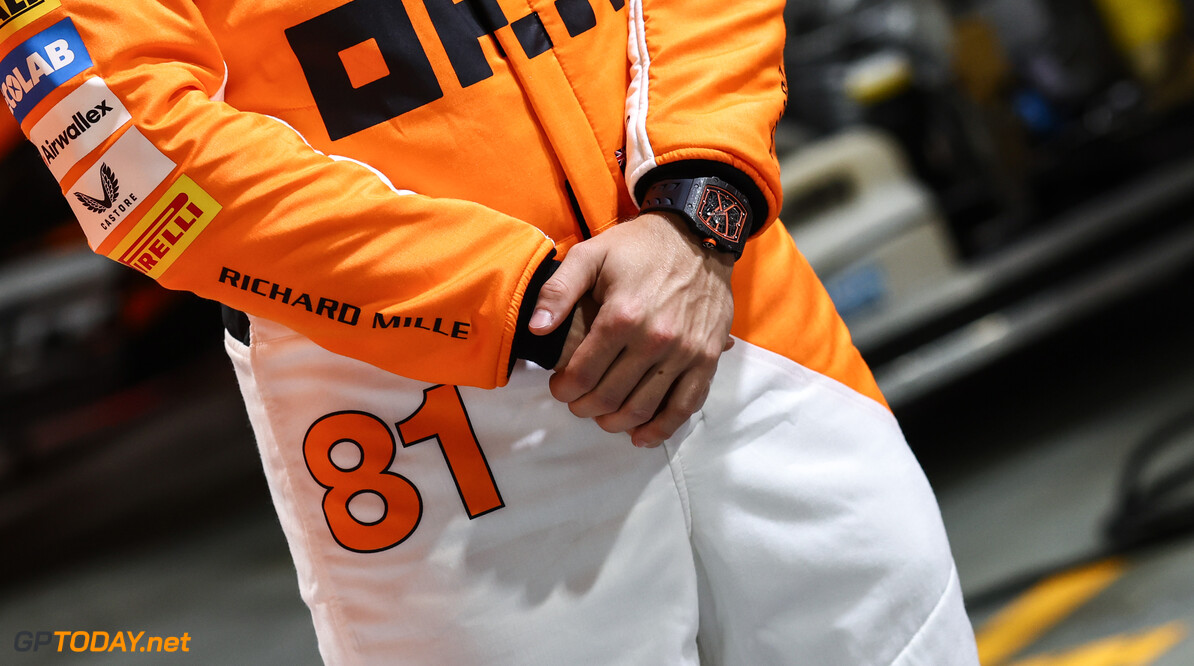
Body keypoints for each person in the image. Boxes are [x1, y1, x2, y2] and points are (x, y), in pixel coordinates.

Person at [2, 0, 980, 663]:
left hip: (736, 322)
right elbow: (127, 152)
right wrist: (528, 303)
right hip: (432, 444)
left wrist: (696, 204)